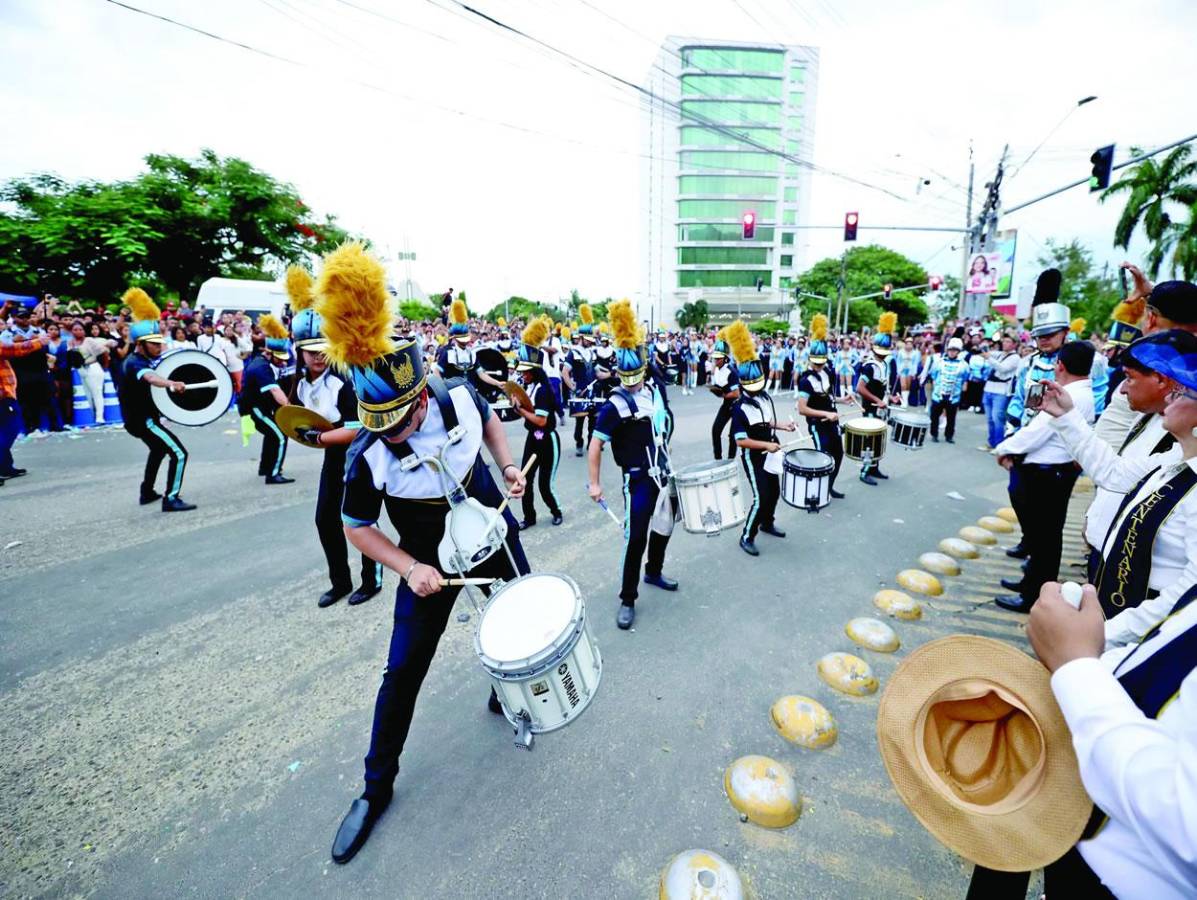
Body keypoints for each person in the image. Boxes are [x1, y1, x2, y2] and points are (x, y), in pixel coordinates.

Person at [317, 245, 530, 865]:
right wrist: (410, 568)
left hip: (488, 520)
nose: (389, 433)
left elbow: (492, 424)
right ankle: (373, 789)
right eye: (376, 423)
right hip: (424, 550)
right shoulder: (368, 452)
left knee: (514, 618)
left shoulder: (458, 393)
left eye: (399, 420)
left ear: (421, 397)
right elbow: (356, 525)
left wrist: (509, 467)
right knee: (403, 671)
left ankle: (508, 691)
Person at [1035, 335, 1197, 644]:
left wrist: (1104, 636)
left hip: (1145, 631)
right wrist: (1065, 416)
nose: (1169, 400)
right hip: (1117, 604)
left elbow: (1189, 593)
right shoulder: (1175, 457)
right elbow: (1116, 473)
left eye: (1180, 394)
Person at [287, 265, 382, 609]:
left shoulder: (347, 378)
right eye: (308, 349)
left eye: (320, 347)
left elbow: (359, 428)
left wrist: (321, 439)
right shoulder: (299, 381)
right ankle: (339, 582)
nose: (315, 355)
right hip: (332, 455)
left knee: (358, 519)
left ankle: (372, 580)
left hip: (360, 455)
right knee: (325, 520)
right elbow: (302, 416)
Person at [588, 299, 678, 631]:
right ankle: (628, 597)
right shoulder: (615, 404)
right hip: (638, 479)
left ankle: (653, 571)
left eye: (635, 376)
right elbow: (596, 443)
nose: (631, 382)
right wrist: (594, 483)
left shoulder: (655, 392)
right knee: (635, 537)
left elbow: (666, 426)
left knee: (666, 527)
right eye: (625, 377)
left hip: (663, 474)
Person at [992, 340, 1096, 613]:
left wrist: (1004, 448)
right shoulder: (1083, 394)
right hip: (1052, 472)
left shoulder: (1068, 395)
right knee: (1044, 538)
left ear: (1059, 365)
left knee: (1045, 539)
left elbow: (1038, 432)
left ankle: (1033, 596)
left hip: (1047, 474)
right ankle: (1031, 585)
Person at [116, 288, 196, 512]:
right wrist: (171, 383)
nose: (158, 347)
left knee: (159, 450)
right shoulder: (135, 363)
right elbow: (151, 378)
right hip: (143, 421)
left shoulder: (141, 359)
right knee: (179, 453)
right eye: (153, 343)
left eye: (159, 342)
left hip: (140, 419)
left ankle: (147, 491)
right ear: (140, 344)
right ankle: (171, 498)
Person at [726, 320, 795, 556]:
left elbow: (765, 422)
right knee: (761, 495)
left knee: (774, 491)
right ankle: (747, 535)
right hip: (753, 455)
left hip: (771, 450)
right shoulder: (739, 408)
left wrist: (782, 426)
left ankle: (767, 522)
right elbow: (740, 440)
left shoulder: (765, 398)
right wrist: (766, 444)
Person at [512, 317, 563, 529]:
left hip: (547, 440)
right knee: (525, 480)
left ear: (533, 371)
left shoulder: (542, 390)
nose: (521, 374)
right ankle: (529, 517)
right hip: (532, 438)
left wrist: (520, 410)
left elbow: (541, 421)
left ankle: (556, 511)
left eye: (524, 371)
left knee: (544, 485)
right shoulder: (529, 388)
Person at [239, 314, 294, 485]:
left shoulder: (262, 362)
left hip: (259, 407)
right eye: (281, 359)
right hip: (255, 408)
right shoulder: (261, 368)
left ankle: (265, 467)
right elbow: (276, 391)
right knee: (280, 435)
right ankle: (274, 473)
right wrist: (291, 410)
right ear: (269, 353)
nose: (284, 363)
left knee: (271, 434)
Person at [796, 314, 845, 499]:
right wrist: (826, 413)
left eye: (821, 362)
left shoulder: (829, 373)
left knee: (838, 455)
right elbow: (802, 408)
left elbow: (829, 397)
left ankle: (828, 487)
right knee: (822, 458)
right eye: (815, 362)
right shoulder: (805, 380)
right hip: (818, 425)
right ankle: (814, 493)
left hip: (832, 423)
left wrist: (842, 400)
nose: (818, 366)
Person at [855, 312, 899, 483]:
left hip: (880, 409)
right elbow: (860, 388)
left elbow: (883, 387)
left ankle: (875, 468)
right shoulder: (870, 367)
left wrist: (890, 398)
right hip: (870, 410)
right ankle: (865, 472)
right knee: (869, 442)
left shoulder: (884, 364)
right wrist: (877, 400)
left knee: (879, 441)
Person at [0, 324, 48, 483]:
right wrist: (39, 342)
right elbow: (11, 350)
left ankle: (6, 467)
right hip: (2, 394)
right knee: (11, 428)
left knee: (4, 428)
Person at [561, 305, 597, 456]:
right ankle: (579, 442)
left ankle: (591, 444)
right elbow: (564, 373)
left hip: (593, 391)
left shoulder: (592, 352)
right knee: (580, 421)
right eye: (587, 339)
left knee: (593, 421)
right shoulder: (573, 353)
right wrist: (573, 388)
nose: (590, 342)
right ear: (581, 338)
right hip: (579, 391)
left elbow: (596, 372)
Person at [924, 336, 968, 443]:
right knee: (934, 416)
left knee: (951, 418)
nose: (952, 352)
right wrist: (936, 389)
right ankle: (934, 434)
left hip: (954, 396)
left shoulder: (964, 365)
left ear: (958, 351)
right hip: (938, 394)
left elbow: (965, 379)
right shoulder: (939, 362)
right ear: (947, 350)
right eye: (951, 349)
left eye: (955, 350)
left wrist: (961, 392)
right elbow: (933, 376)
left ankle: (949, 436)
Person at [982, 333, 1020, 449]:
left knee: (997, 419)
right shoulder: (1000, 354)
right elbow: (988, 353)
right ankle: (991, 443)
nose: (1005, 343)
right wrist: (984, 348)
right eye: (1004, 341)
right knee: (989, 419)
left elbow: (1002, 368)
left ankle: (999, 445)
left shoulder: (1015, 358)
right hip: (988, 388)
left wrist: (988, 357)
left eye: (1008, 342)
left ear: (1014, 344)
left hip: (1001, 392)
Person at [708, 334, 739, 460]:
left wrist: (723, 395)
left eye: (718, 358)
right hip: (727, 404)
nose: (716, 360)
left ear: (725, 359)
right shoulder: (717, 369)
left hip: (737, 405)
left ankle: (731, 459)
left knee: (732, 435)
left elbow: (737, 393)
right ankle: (718, 459)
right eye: (715, 358)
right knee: (715, 430)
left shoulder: (731, 372)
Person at [435, 299, 475, 380]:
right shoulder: (447, 352)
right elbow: (437, 371)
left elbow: (480, 374)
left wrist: (497, 383)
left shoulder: (472, 352)